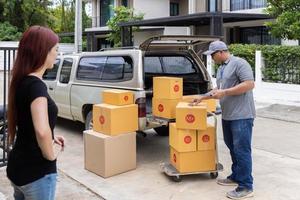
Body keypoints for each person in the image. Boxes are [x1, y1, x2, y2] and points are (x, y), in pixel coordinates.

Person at [7, 26, 65, 200]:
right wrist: (51, 156)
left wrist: (51, 136)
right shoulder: (37, 86)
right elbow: (41, 131)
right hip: (36, 173)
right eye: (56, 50)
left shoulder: (21, 81)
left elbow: (28, 124)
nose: (57, 54)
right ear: (43, 52)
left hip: (18, 167)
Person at [194, 41, 255, 199]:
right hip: (228, 115)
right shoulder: (222, 68)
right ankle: (236, 176)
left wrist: (225, 92)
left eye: (212, 55)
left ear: (220, 52)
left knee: (242, 150)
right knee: (232, 148)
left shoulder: (240, 63)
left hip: (242, 115)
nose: (212, 58)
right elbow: (218, 90)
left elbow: (249, 84)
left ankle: (246, 186)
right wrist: (202, 97)